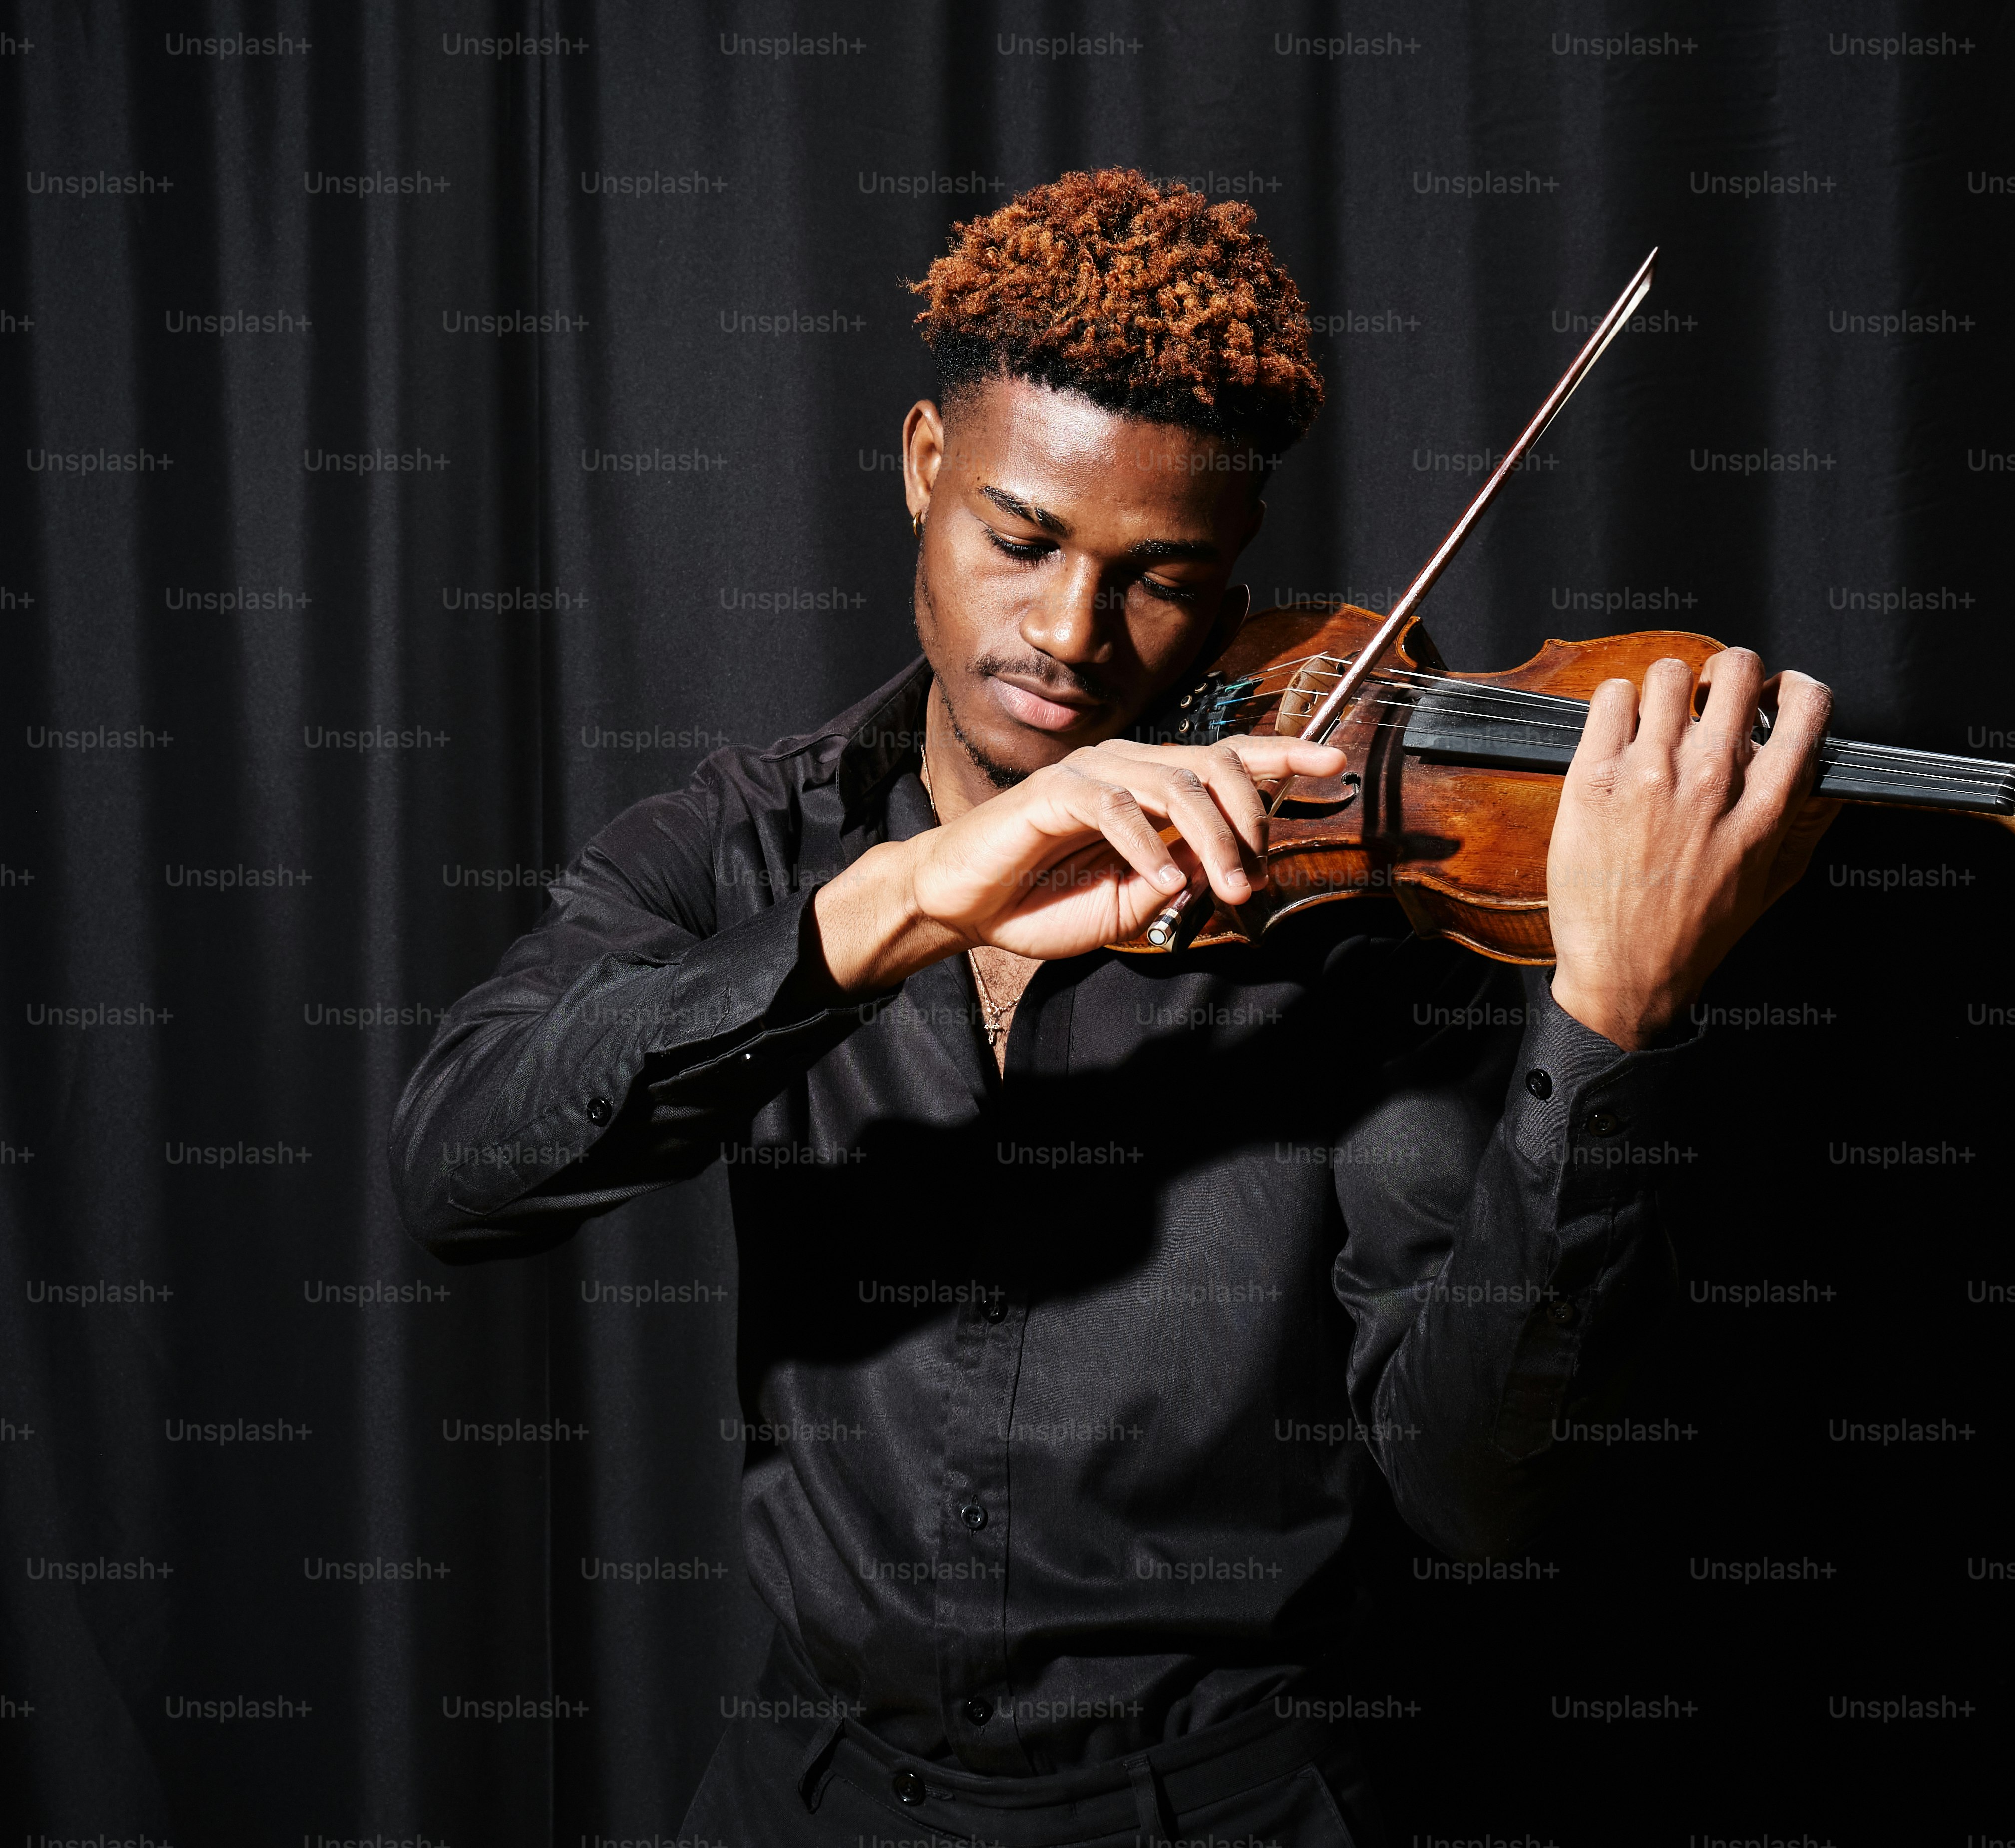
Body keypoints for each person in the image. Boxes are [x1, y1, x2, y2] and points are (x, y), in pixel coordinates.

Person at [391, 168, 1834, 1847]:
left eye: (1157, 577)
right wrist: (908, 899)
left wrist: (1606, 1024)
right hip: (810, 1798)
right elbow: (460, 1163)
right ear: (929, 466)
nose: (1069, 636)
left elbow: (1480, 1487)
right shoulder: (751, 841)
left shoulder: (1357, 927)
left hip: (1217, 1812)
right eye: (1021, 539)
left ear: (1230, 577)